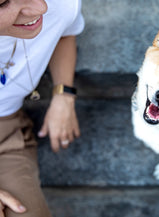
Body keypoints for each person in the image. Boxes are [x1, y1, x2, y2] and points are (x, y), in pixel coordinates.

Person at [0, 0, 84, 216]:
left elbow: (64, 31)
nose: (40, 8)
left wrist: (64, 95)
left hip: (7, 133)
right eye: (3, 3)